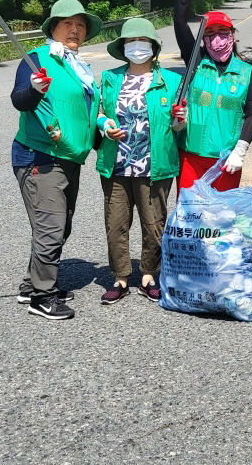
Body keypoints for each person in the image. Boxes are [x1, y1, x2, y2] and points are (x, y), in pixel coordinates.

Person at [11, 0, 103, 320]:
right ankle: (42, 297)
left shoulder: (80, 68)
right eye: (68, 24)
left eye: (80, 25)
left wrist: (103, 125)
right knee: (50, 227)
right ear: (53, 28)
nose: (75, 30)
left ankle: (31, 285)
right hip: (41, 156)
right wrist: (35, 88)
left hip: (70, 157)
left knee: (59, 225)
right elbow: (20, 100)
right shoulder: (37, 60)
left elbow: (90, 110)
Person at [95, 18, 183, 304]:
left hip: (154, 166)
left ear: (154, 47)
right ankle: (120, 277)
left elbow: (180, 125)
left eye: (143, 42)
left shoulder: (171, 81)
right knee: (116, 223)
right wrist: (105, 125)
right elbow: (99, 113)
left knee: (154, 223)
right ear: (122, 47)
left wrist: (181, 120)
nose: (137, 48)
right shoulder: (109, 78)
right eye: (131, 43)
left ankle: (148, 275)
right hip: (116, 164)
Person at [173, 0, 252, 191]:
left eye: (223, 32)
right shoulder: (196, 60)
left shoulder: (247, 72)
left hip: (226, 161)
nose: (217, 39)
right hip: (190, 156)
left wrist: (240, 150)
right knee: (191, 220)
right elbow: (180, 21)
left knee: (221, 222)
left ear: (232, 35)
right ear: (203, 39)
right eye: (210, 34)